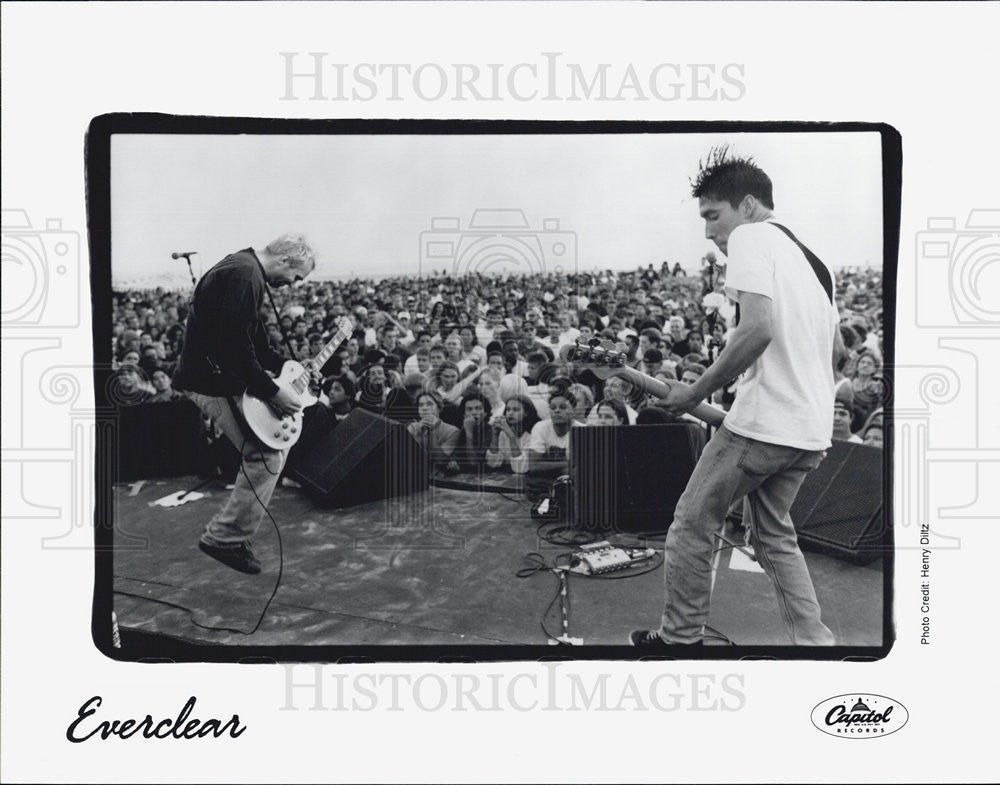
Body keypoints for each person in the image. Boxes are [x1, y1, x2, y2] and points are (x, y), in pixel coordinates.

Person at [630, 149, 838, 648]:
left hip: (763, 428)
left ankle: (679, 643)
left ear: (746, 206)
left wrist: (695, 392)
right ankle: (815, 642)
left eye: (712, 215)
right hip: (809, 432)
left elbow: (758, 329)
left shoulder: (750, 236)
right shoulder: (815, 263)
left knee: (690, 526)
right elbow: (834, 352)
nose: (708, 232)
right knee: (773, 538)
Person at [172, 233, 316, 574]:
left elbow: (258, 346)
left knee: (271, 453)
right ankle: (224, 539)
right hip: (210, 381)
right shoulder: (245, 274)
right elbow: (233, 345)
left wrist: (295, 372)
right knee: (265, 455)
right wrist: (271, 391)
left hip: (216, 379)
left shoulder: (245, 269)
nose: (291, 285)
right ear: (285, 261)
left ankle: (230, 536)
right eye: (296, 277)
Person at [486, 395, 540, 474]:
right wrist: (495, 435)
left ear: (526, 413)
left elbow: (521, 468)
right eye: (508, 409)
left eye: (516, 410)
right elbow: (493, 464)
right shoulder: (503, 433)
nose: (510, 413)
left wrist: (511, 437)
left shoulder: (534, 434)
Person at [408, 391, 460, 468]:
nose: (424, 408)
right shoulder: (412, 428)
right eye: (421, 405)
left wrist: (431, 431)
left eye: (429, 404)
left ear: (439, 408)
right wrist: (418, 433)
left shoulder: (452, 431)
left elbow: (440, 460)